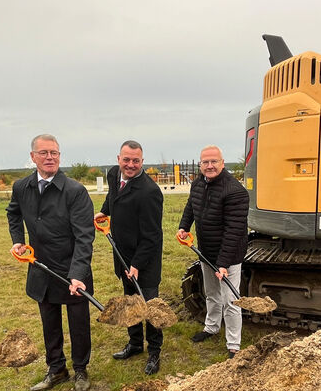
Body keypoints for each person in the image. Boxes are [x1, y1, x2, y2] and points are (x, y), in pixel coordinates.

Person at [7, 134, 95, 391]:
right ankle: (56, 368)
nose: (50, 158)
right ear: (33, 157)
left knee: (78, 323)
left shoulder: (75, 191)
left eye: (54, 153)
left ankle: (80, 369)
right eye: (44, 153)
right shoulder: (22, 187)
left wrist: (77, 274)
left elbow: (84, 236)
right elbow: (13, 212)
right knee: (49, 322)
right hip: (40, 269)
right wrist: (17, 240)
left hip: (71, 271)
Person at [94, 140, 164, 375]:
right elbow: (113, 197)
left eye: (136, 161)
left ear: (143, 161)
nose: (131, 165)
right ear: (118, 159)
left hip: (145, 260)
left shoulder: (149, 192)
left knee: (149, 305)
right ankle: (135, 344)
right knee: (130, 303)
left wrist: (136, 264)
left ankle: (154, 352)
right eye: (126, 160)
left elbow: (152, 236)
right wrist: (104, 211)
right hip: (122, 255)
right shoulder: (114, 174)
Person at [177, 145, 249, 358]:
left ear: (222, 163)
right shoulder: (198, 183)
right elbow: (192, 205)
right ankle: (211, 327)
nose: (209, 166)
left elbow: (234, 230)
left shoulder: (235, 191)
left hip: (230, 254)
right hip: (206, 251)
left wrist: (224, 264)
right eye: (205, 162)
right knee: (211, 294)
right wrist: (184, 226)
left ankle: (234, 345)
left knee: (231, 300)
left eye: (213, 162)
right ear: (200, 164)